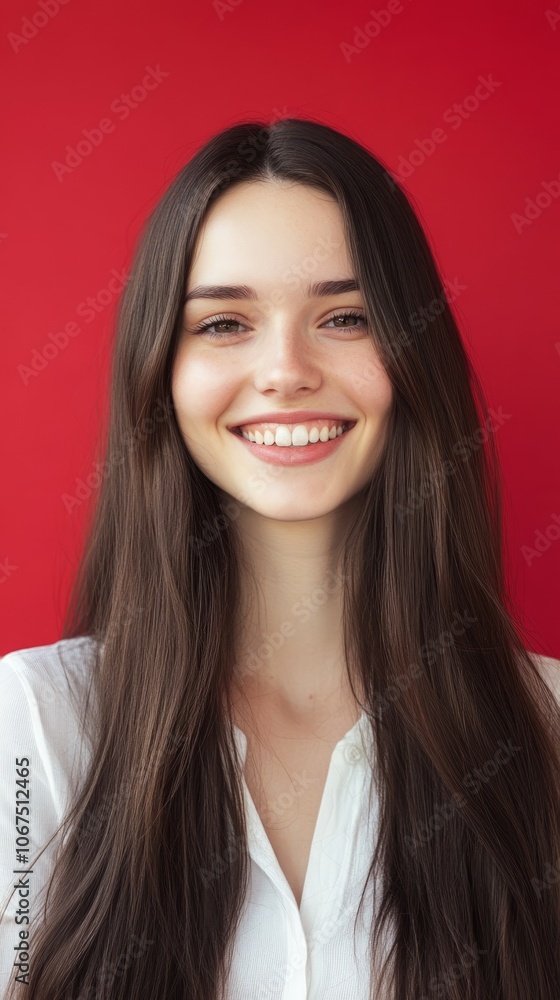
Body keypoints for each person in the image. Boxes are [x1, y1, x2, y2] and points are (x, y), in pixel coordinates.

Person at [1, 116, 559, 1000]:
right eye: (224, 323)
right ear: (161, 374)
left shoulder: (548, 729)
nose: (285, 369)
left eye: (344, 317)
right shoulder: (31, 730)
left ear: (413, 354)